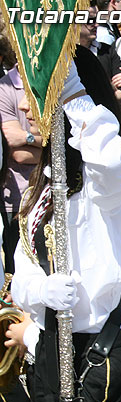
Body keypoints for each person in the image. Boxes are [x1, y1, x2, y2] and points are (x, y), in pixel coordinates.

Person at [11, 48, 121, 402]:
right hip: (53, 347)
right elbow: (25, 258)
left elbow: (107, 160)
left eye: (34, 92)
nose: (24, 105)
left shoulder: (115, 175)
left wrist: (69, 88)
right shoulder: (46, 180)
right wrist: (39, 291)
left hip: (100, 352)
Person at [0, 67, 42, 275]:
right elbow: (18, 153)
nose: (24, 107)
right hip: (18, 201)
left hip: (53, 197)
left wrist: (27, 139)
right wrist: (52, 146)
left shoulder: (57, 80)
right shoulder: (5, 87)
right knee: (17, 276)